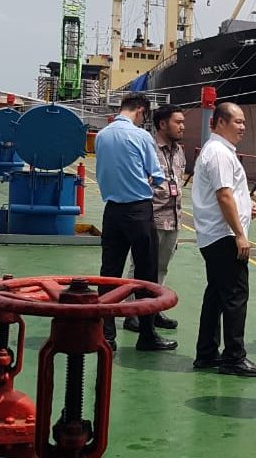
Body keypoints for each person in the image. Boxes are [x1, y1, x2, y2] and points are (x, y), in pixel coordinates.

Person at [94, 93, 177, 352]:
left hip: (112, 211)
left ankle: (106, 335)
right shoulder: (141, 136)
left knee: (109, 273)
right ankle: (146, 335)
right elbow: (157, 176)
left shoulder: (101, 136)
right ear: (140, 111)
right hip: (139, 211)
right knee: (146, 273)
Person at [192, 102, 256, 377]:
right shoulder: (219, 153)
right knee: (235, 296)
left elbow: (229, 194)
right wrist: (240, 234)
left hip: (215, 236)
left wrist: (247, 205)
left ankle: (207, 353)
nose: (243, 127)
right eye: (237, 121)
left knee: (216, 295)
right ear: (220, 122)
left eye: (244, 122)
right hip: (224, 237)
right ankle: (234, 357)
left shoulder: (218, 151)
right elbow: (224, 195)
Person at [123, 105, 186, 332]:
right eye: (178, 122)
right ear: (162, 124)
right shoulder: (146, 146)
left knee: (162, 267)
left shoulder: (179, 151)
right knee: (140, 266)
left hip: (173, 217)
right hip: (151, 216)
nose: (182, 127)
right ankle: (131, 312)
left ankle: (153, 309)